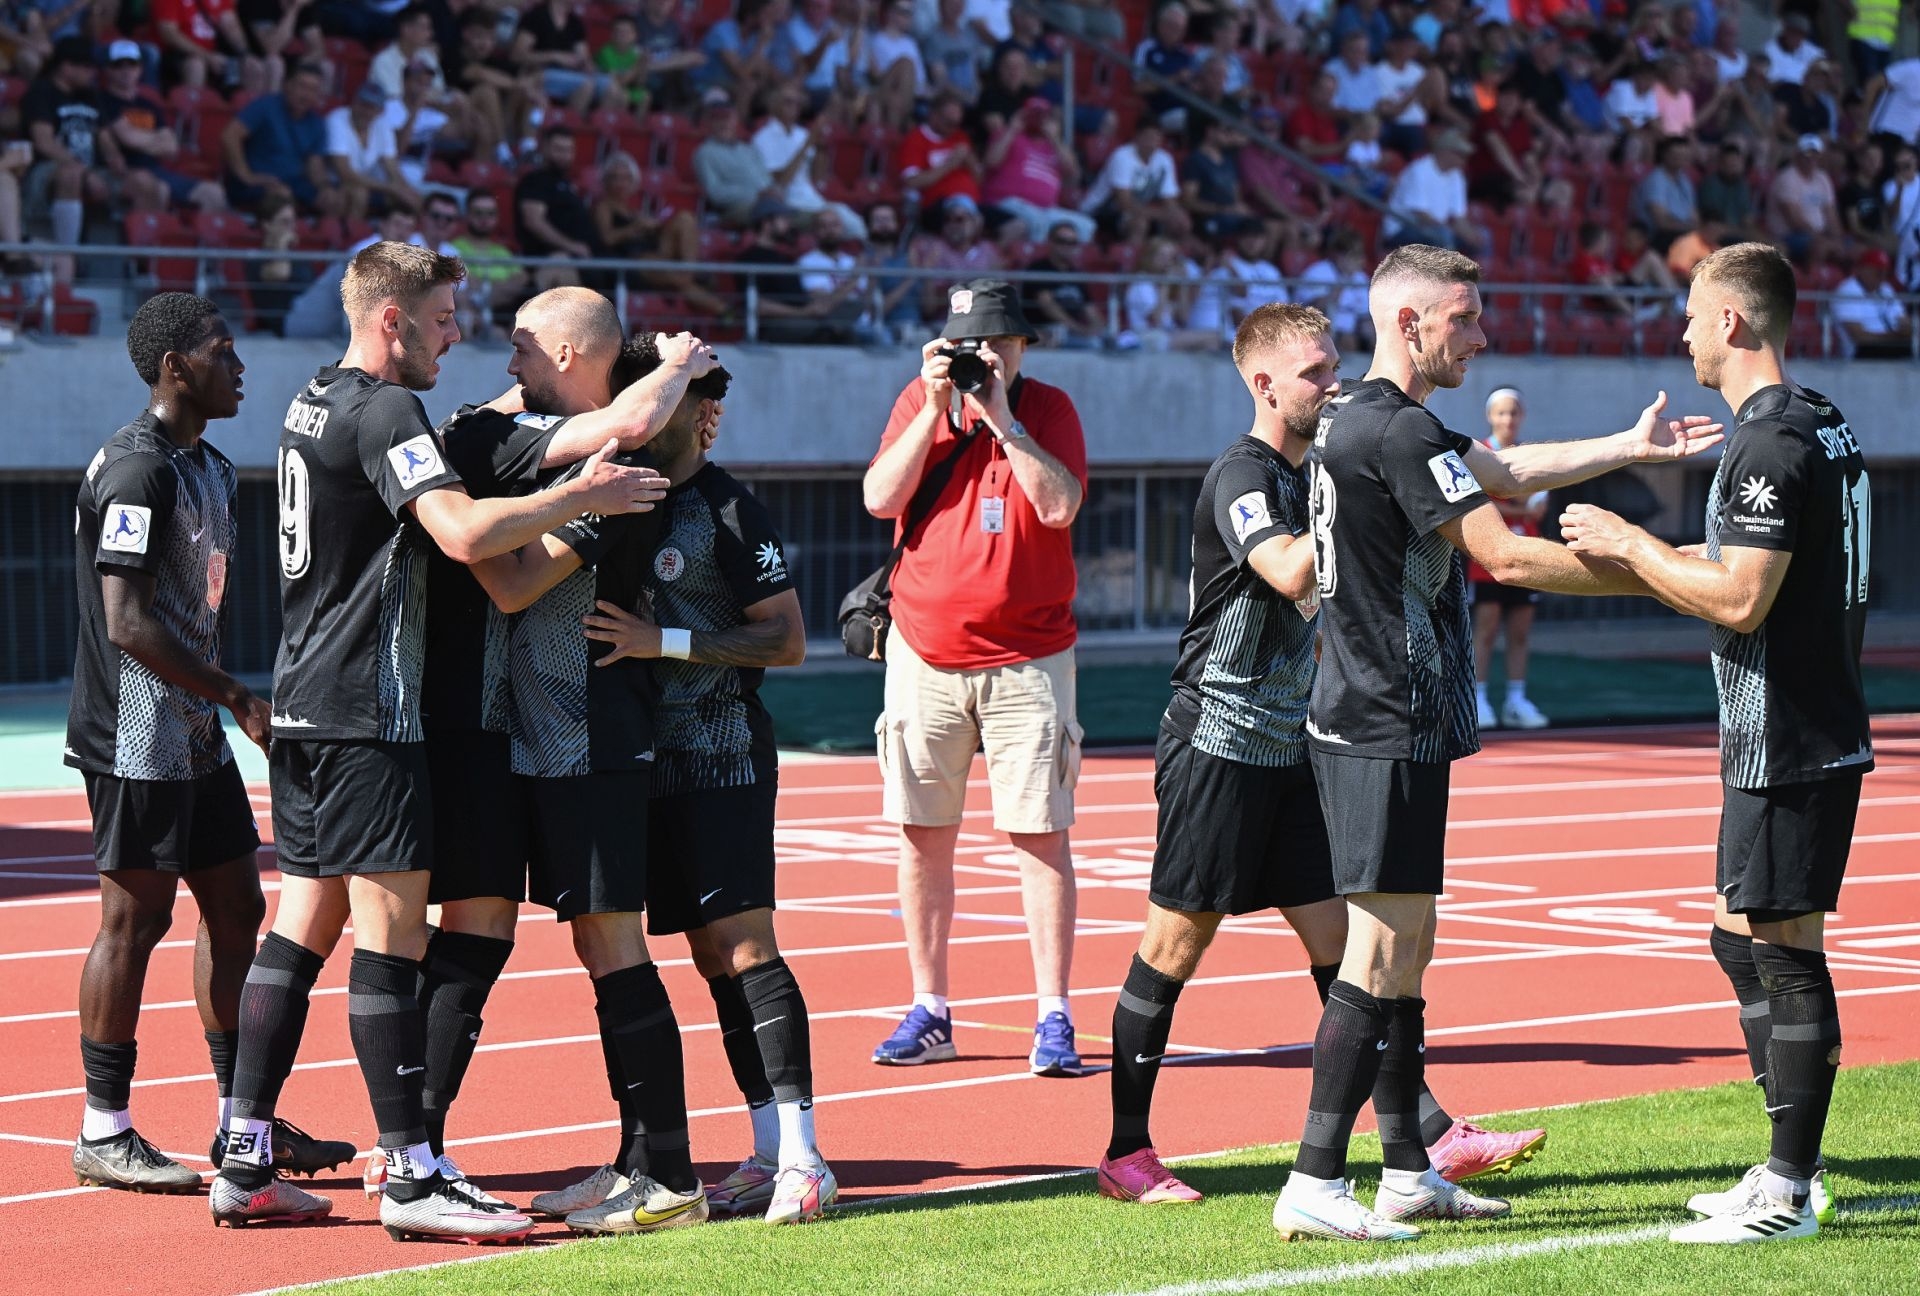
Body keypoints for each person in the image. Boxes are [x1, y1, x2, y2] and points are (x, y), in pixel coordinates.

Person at [205, 241, 666, 1238]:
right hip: (374, 710)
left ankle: (242, 1150)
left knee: (303, 922)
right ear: (394, 321)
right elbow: (461, 534)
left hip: (302, 704)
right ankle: (412, 1173)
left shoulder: (312, 399)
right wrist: (576, 498)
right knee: (390, 935)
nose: (459, 340)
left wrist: (507, 427)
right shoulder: (386, 409)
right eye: (448, 321)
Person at [1273, 243, 1725, 1242]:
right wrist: (1666, 567)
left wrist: (1627, 447)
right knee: (1380, 952)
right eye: (1465, 318)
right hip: (1378, 715)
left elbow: (1501, 469)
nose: (1482, 334)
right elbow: (1509, 551)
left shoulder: (1369, 418)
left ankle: (1404, 1170)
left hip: (1392, 713)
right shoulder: (1391, 430)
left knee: (1408, 951)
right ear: (1410, 322)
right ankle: (1313, 1180)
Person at [1095, 303, 1547, 1208]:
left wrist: (1630, 446)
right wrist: (1373, 514)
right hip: (1220, 742)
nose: (1332, 382)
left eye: (1334, 363)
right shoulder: (1241, 475)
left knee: (1353, 950)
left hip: (1298, 744)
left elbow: (1495, 471)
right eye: (1312, 373)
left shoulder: (1341, 456)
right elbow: (1292, 572)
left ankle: (1420, 1136)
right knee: (1175, 943)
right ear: (1263, 385)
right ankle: (1127, 1152)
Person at [1559, 242, 1868, 1244]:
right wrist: (1594, 565)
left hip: (1791, 731)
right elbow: (1738, 563)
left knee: (1779, 951)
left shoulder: (1768, 441)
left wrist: (1630, 545)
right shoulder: (1821, 420)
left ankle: (1787, 1188)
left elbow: (1740, 596)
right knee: (1744, 938)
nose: (1681, 331)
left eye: (1692, 314)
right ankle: (1790, 1165)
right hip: (1788, 729)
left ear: (1733, 323)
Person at [390, 293, 717, 1234]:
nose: (505, 361)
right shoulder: (505, 433)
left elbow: (511, 576)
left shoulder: (620, 465)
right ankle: (415, 1151)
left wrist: (495, 532)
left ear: (571, 350)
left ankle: (665, 1172)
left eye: (524, 346)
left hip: (590, 734)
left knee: (610, 942)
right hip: (504, 735)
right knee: (473, 929)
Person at [65, 293, 353, 1197]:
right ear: (175, 367)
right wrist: (235, 695)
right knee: (134, 920)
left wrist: (226, 701)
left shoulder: (214, 470)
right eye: (224, 354)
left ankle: (244, 1123)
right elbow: (126, 621)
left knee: (235, 910)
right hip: (135, 735)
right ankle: (102, 1130)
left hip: (193, 730)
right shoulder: (133, 471)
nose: (241, 367)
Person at [549, 334, 835, 1226]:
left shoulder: (728, 509)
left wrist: (659, 642)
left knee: (747, 946)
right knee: (709, 956)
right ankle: (760, 1148)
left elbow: (786, 640)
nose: (712, 413)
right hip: (642, 767)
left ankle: (803, 1157)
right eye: (697, 395)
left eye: (716, 398)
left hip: (722, 756)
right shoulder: (614, 488)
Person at [862, 280, 1088, 1075]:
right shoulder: (915, 404)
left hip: (1028, 658)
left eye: (996, 343)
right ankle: (931, 1007)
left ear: (1022, 346)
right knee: (922, 838)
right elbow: (876, 496)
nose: (981, 357)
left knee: (1038, 837)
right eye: (966, 345)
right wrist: (932, 409)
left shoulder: (1047, 409)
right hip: (924, 654)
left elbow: (1059, 507)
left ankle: (1052, 1013)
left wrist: (1001, 415)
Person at [1469, 388, 1550, 731]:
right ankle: (1478, 697)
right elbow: (1478, 504)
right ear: (1491, 416)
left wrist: (1505, 506)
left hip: (1527, 555)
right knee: (1485, 629)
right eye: (1502, 413)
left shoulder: (1533, 455)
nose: (1508, 419)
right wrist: (1517, 507)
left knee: (1520, 631)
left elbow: (1540, 508)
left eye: (1514, 413)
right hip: (1486, 559)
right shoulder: (1478, 453)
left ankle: (1516, 700)